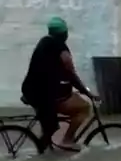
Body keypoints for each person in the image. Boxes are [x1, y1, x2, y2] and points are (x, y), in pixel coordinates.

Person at [21, 17, 95, 152]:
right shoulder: (61, 48)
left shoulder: (43, 42)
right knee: (84, 107)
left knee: (49, 125)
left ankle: (43, 151)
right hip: (44, 95)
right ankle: (67, 140)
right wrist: (87, 93)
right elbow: (71, 73)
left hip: (31, 90)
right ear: (64, 34)